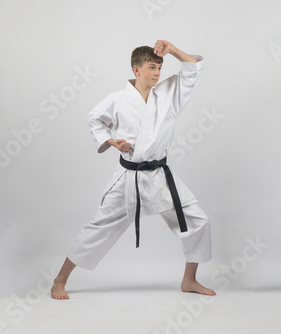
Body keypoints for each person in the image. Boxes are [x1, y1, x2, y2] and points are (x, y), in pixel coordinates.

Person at [51, 40, 214, 299]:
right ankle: (59, 280)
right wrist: (110, 141)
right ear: (136, 69)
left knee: (198, 220)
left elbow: (194, 67)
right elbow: (95, 119)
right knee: (97, 228)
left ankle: (189, 280)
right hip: (130, 179)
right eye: (151, 67)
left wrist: (171, 49)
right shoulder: (117, 100)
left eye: (160, 67)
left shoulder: (170, 93)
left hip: (160, 177)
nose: (157, 73)